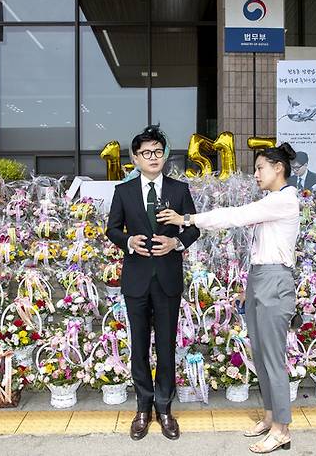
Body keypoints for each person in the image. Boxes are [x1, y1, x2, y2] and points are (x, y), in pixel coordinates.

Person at [157, 143, 300, 454]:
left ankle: (282, 429)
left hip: (275, 280)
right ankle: (269, 417)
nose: (256, 174)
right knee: (261, 355)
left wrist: (188, 219)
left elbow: (237, 216)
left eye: (260, 167)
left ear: (278, 168)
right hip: (262, 278)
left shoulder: (284, 200)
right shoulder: (272, 200)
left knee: (273, 359)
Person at [106, 125, 200, 441]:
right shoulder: (124, 191)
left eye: (158, 152)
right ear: (135, 158)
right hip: (135, 280)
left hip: (168, 279)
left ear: (164, 155)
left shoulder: (178, 189)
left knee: (166, 345)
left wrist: (177, 244)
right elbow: (112, 229)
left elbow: (193, 228)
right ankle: (143, 407)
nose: (153, 157)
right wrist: (128, 241)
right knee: (139, 348)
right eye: (146, 153)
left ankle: (164, 408)